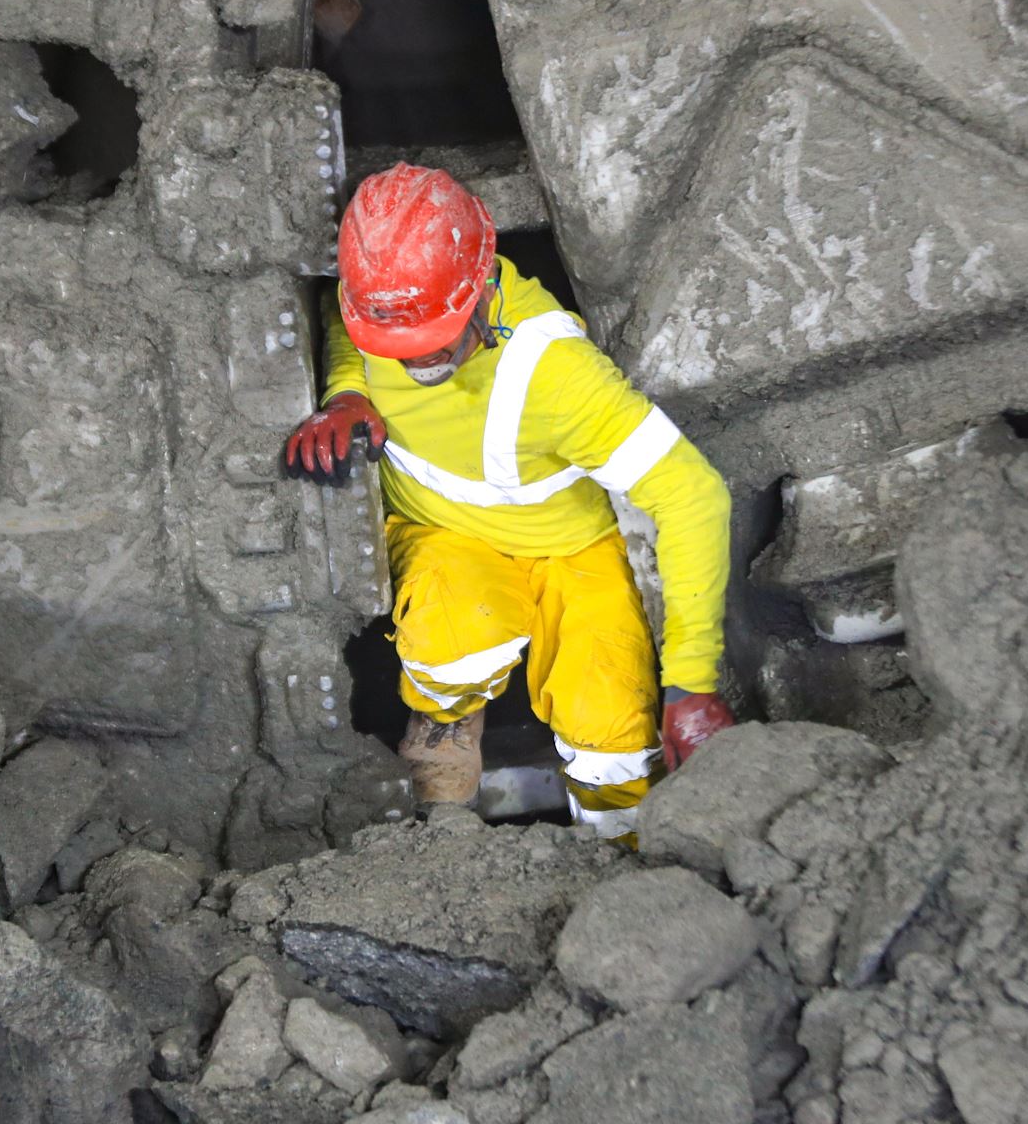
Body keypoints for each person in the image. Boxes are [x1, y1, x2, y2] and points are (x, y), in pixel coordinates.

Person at [285, 163, 735, 841]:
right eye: (396, 348)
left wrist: (691, 683)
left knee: (611, 729)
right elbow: (347, 327)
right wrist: (347, 393)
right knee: (454, 642)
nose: (416, 366)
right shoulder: (375, 308)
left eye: (433, 344)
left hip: (570, 547)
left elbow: (692, 493)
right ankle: (449, 713)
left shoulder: (558, 376)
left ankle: (623, 852)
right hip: (443, 531)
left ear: (481, 288)